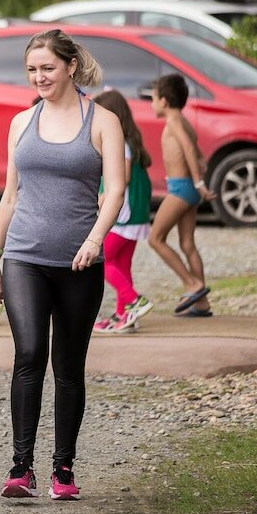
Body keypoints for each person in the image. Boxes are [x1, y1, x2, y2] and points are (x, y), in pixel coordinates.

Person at [0, 29, 125, 502]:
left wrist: (93, 240)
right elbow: (10, 195)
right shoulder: (21, 122)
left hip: (80, 263)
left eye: (47, 67)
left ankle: (62, 469)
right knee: (28, 355)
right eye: (31, 69)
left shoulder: (102, 120)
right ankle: (19, 467)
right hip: (24, 256)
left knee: (68, 366)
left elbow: (116, 191)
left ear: (69, 66)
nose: (39, 76)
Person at [147, 73, 216, 317]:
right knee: (187, 243)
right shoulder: (183, 120)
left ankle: (191, 284)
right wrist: (199, 171)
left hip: (182, 188)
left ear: (164, 101)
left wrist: (198, 183)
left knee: (155, 238)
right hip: (187, 188)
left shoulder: (174, 120)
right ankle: (202, 304)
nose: (152, 103)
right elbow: (196, 151)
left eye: (153, 98)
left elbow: (188, 147)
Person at [92, 90, 155, 333]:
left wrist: (103, 196)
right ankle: (124, 315)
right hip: (135, 218)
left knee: (100, 261)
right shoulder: (131, 142)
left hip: (122, 217)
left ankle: (134, 300)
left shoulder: (120, 145)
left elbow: (123, 177)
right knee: (121, 265)